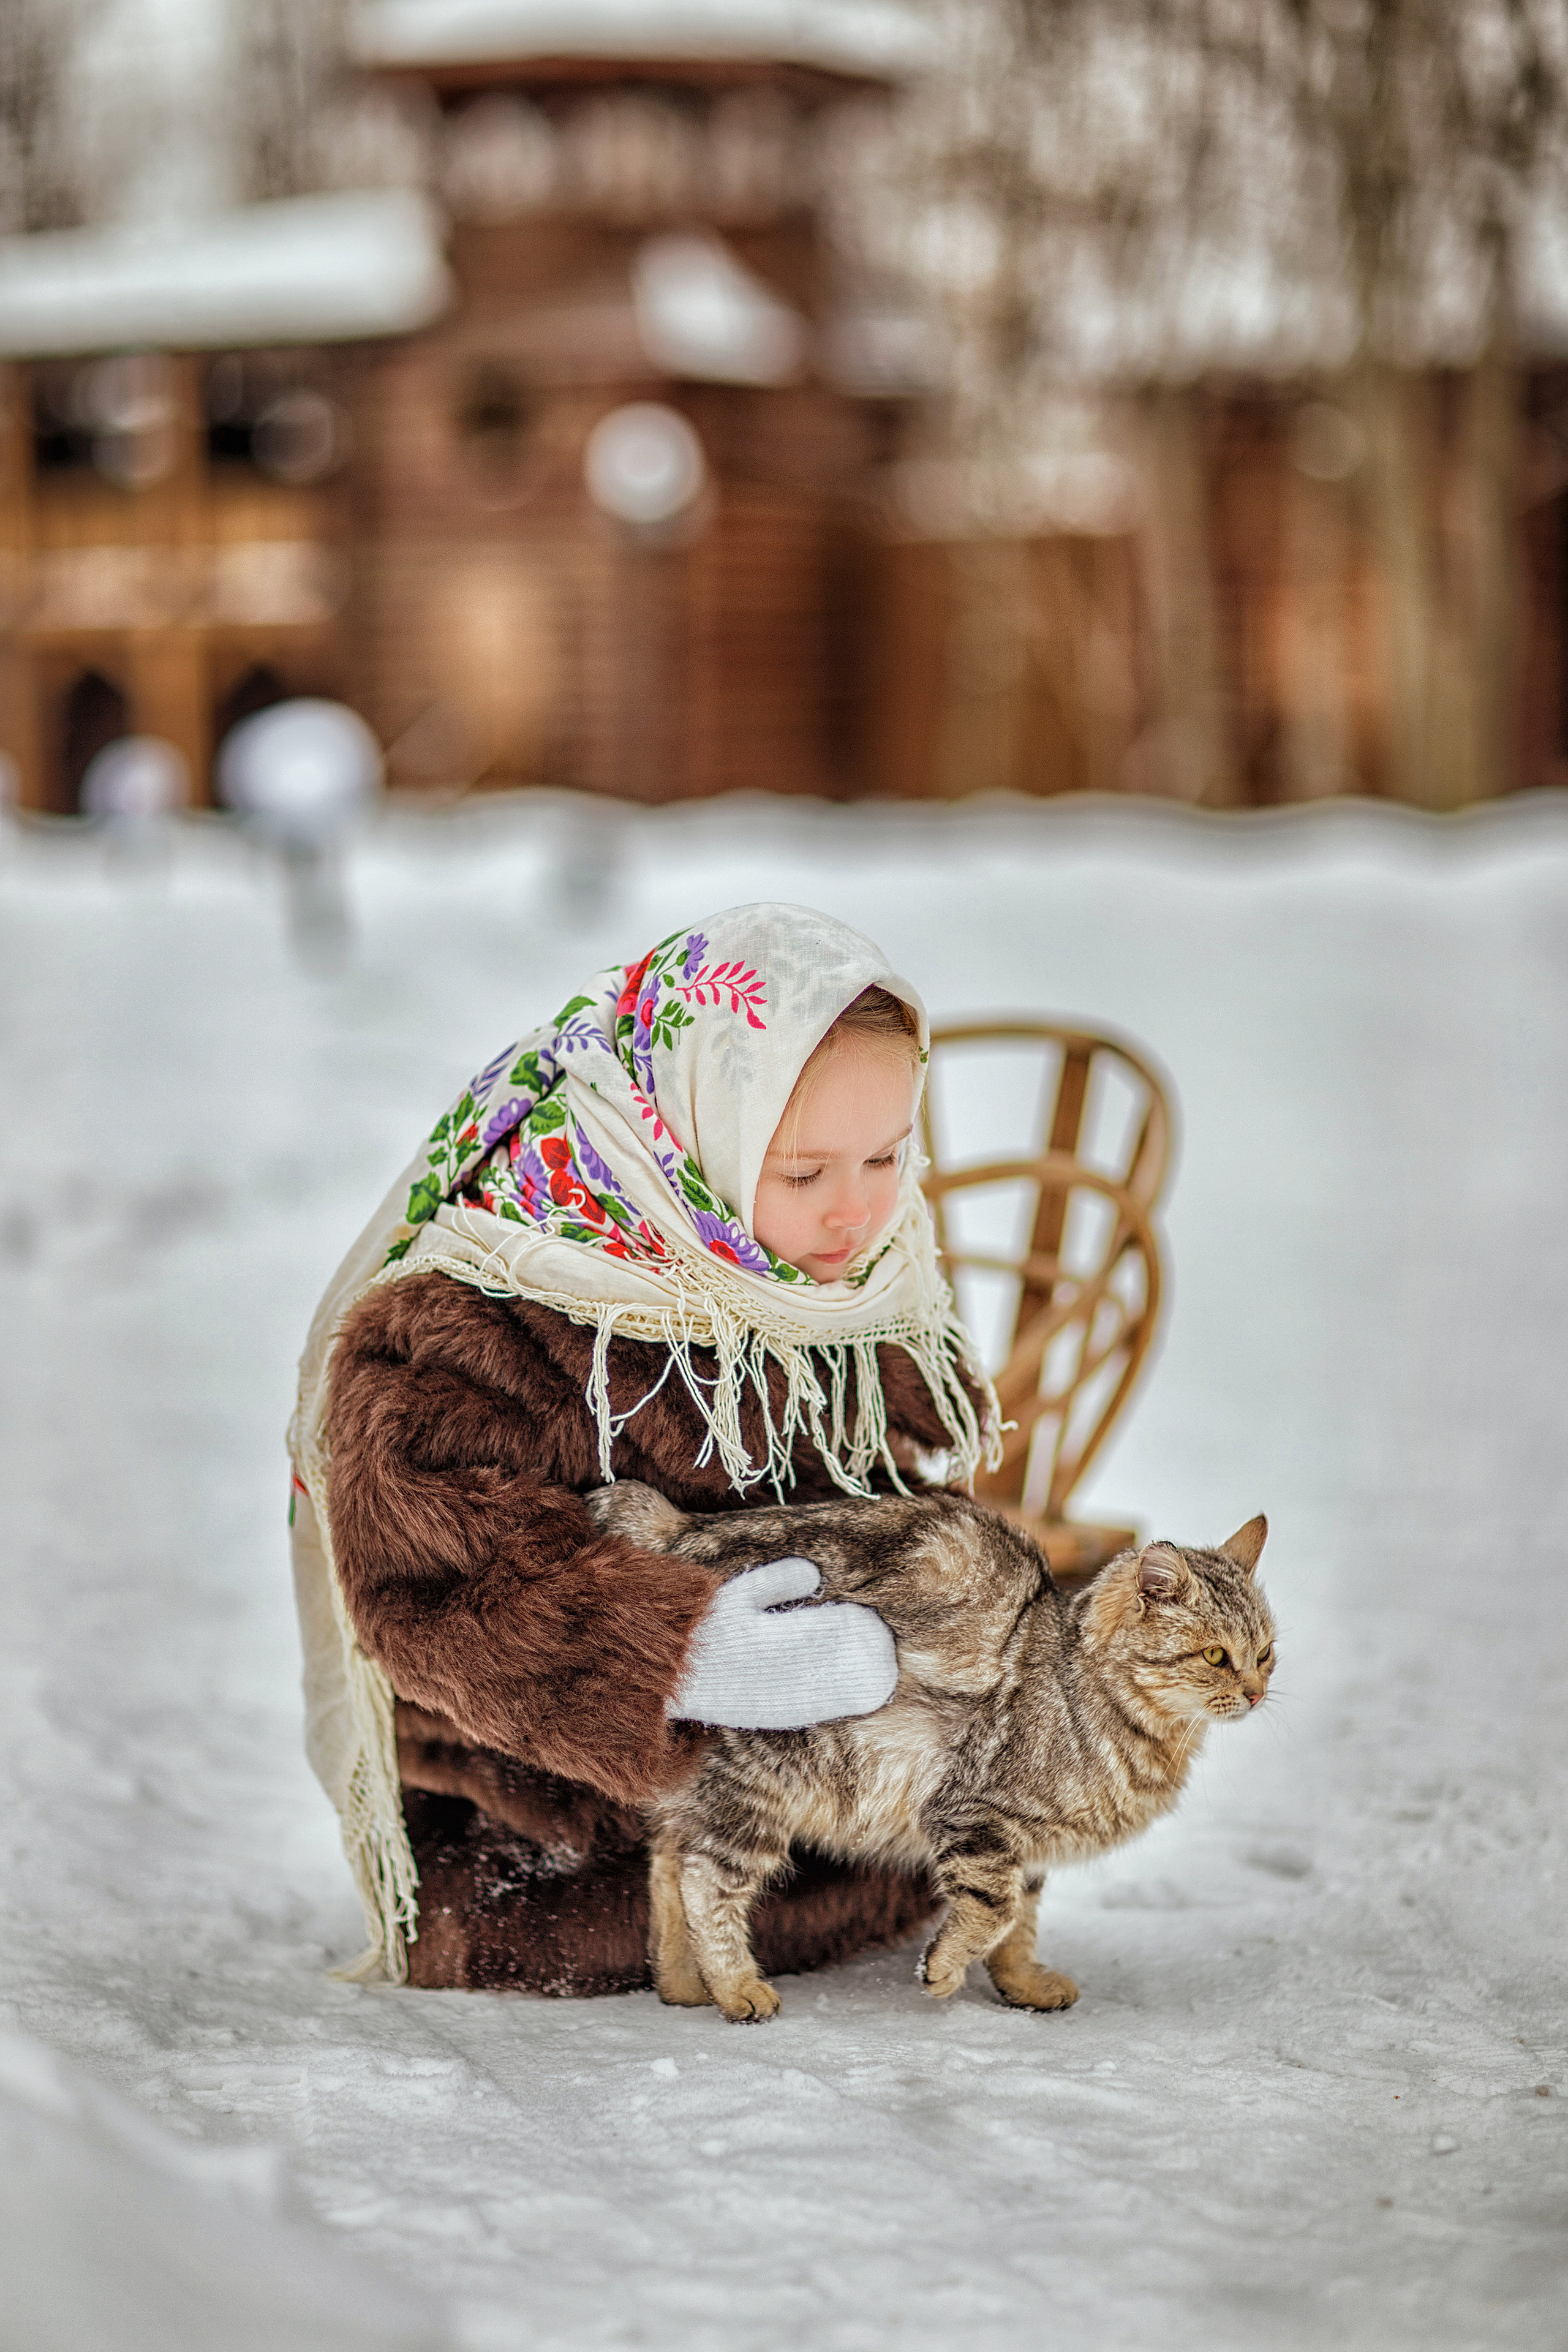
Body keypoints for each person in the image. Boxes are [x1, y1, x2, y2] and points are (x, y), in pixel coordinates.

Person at [288, 903, 998, 1994]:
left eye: (886, 1157)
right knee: (555, 1923)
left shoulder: (837, 1286)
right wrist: (689, 1653)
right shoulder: (498, 1304)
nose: (856, 1213)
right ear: (694, 1127)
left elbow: (860, 1484)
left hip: (797, 1818)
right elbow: (427, 1582)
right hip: (548, 1832)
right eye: (803, 1172)